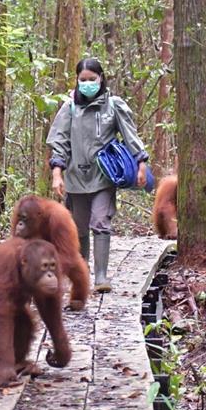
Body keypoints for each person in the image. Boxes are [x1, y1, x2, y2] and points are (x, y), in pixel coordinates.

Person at [47, 58, 149, 293]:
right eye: (83, 80)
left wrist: (141, 162)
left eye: (92, 79)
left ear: (101, 78)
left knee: (101, 222)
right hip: (75, 176)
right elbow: (59, 141)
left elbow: (130, 135)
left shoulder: (113, 106)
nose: (87, 84)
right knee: (79, 227)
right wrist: (57, 173)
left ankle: (101, 276)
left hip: (103, 176)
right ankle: (82, 274)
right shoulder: (70, 107)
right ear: (77, 80)